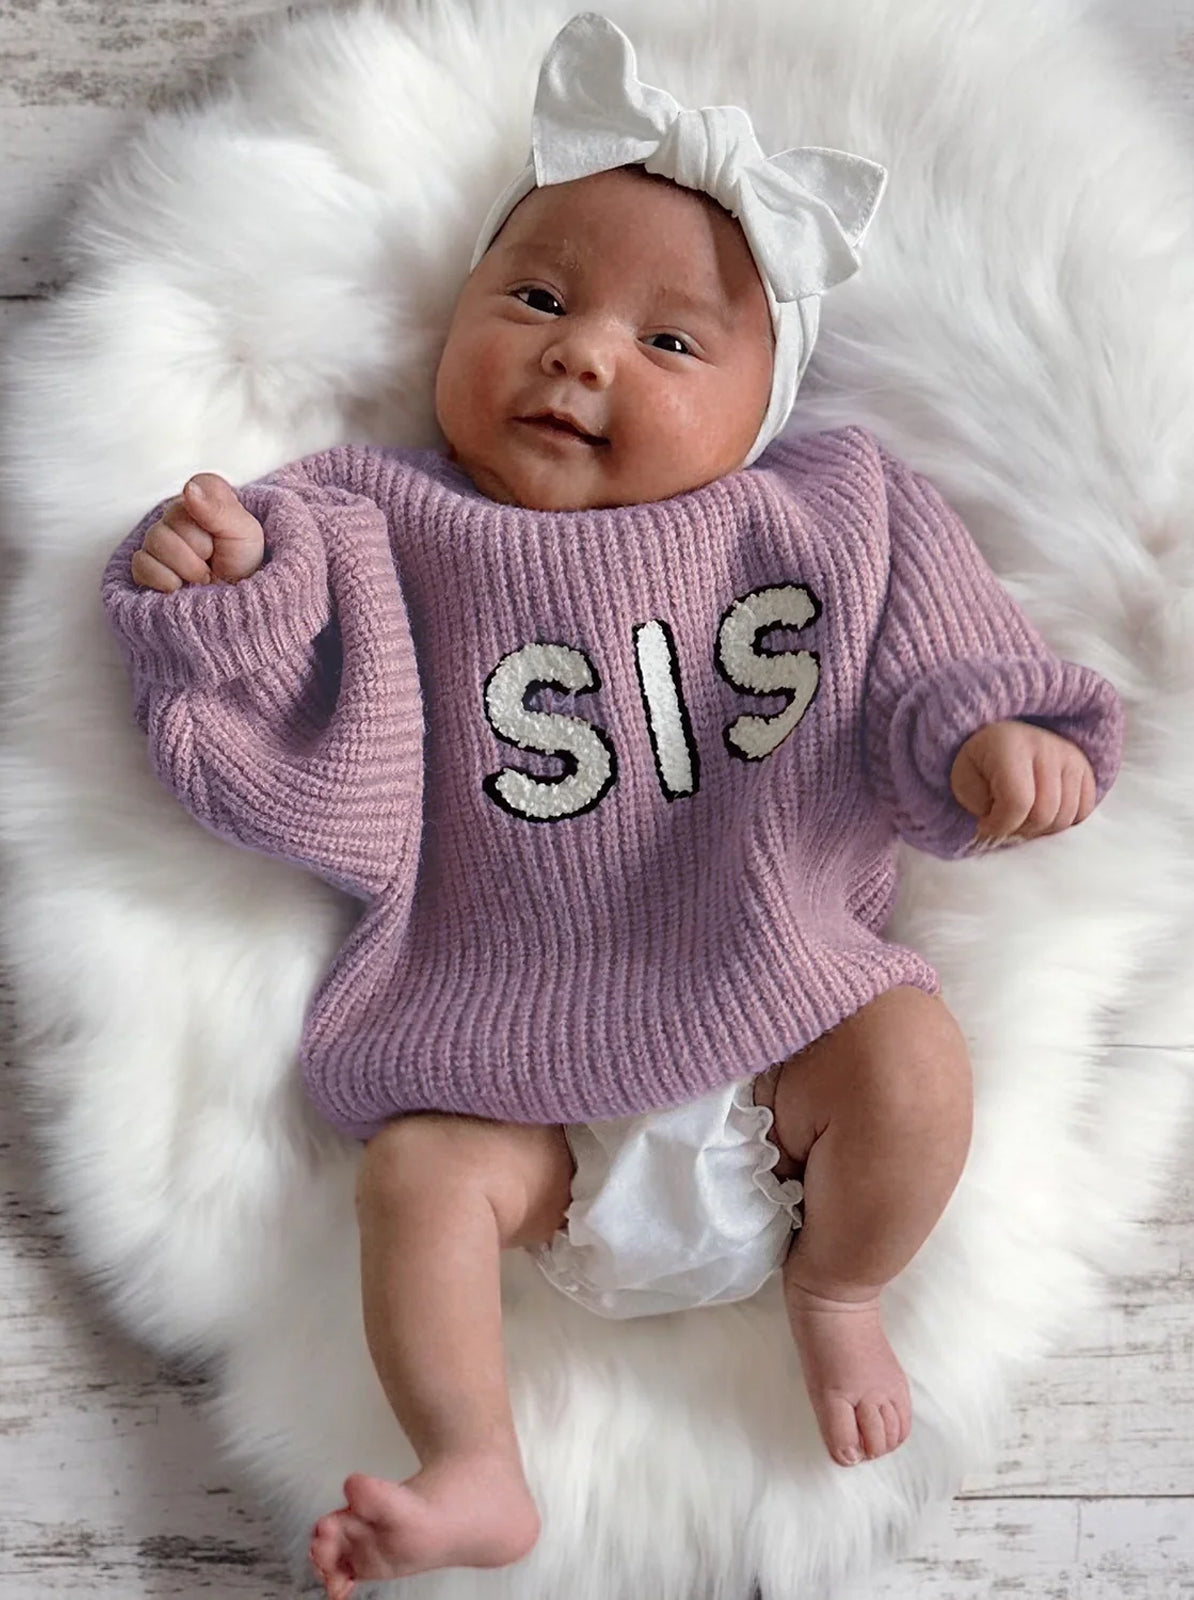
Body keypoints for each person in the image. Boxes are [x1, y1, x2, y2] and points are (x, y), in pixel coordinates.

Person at [101, 14, 1124, 1596]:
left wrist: (991, 735)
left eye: (670, 342)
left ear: (763, 404)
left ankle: (839, 1292)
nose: (580, 351)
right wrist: (221, 591)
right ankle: (477, 1462)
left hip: (782, 1033)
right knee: (413, 1184)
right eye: (535, 297)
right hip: (508, 1073)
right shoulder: (383, 518)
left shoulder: (825, 512)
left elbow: (938, 641)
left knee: (915, 1063)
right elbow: (277, 702)